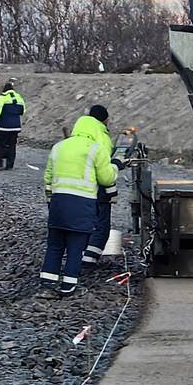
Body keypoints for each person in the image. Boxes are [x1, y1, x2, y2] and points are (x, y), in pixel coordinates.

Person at [40, 117, 117, 300]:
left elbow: (48, 178)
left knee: (55, 246)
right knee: (76, 247)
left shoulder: (59, 147)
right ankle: (68, 287)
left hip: (58, 204)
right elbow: (107, 179)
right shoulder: (95, 148)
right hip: (82, 205)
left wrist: (51, 201)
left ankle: (47, 286)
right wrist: (115, 166)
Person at [69, 104, 119, 269]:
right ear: (105, 119)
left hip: (76, 188)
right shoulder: (102, 136)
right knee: (101, 225)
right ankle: (89, 261)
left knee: (83, 223)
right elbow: (104, 168)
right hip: (96, 187)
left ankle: (78, 256)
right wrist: (112, 190)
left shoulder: (77, 133)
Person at [0, 79, 26, 170]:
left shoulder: (2, 97)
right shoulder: (19, 97)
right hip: (16, 127)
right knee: (12, 146)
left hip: (4, 126)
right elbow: (23, 111)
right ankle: (10, 165)